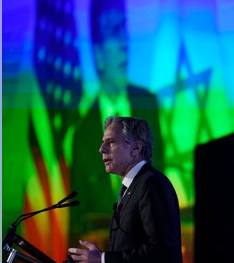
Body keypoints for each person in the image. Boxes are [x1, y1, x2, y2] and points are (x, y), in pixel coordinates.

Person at [65, 116, 192, 263]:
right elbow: (132, 262)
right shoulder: (131, 189)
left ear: (135, 148)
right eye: (102, 142)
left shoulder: (151, 184)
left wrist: (103, 259)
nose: (101, 149)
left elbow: (161, 251)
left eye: (111, 142)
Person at [68, 0, 165, 242]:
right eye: (114, 32)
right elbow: (78, 220)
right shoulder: (82, 134)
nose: (124, 43)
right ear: (99, 55)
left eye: (124, 29)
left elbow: (159, 178)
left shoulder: (147, 104)